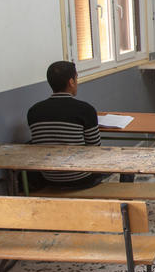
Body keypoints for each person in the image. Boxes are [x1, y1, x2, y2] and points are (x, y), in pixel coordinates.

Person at [26, 61, 110, 190]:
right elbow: (95, 150)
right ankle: (125, 204)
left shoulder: (33, 111)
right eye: (76, 78)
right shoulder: (85, 110)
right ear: (71, 82)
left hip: (48, 178)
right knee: (124, 165)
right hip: (81, 178)